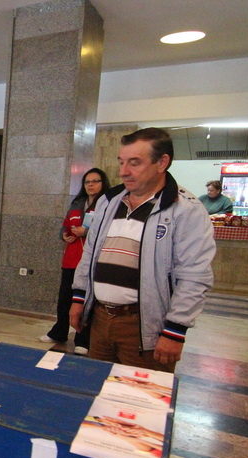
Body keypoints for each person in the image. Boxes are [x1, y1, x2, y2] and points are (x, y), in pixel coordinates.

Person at [70, 128, 215, 372]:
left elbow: (194, 275)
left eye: (134, 163)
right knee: (98, 395)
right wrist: (79, 298)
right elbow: (90, 254)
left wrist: (175, 330)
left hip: (145, 326)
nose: (123, 171)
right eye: (121, 162)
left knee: (141, 401)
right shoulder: (109, 201)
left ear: (162, 163)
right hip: (100, 318)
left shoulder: (185, 210)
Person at [39, 168, 107, 354]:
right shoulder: (77, 203)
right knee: (64, 300)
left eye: (95, 181)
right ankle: (59, 331)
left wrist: (87, 232)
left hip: (90, 262)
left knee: (85, 302)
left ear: (103, 183)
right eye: (87, 182)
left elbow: (108, 231)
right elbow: (65, 226)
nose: (91, 185)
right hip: (71, 259)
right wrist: (65, 235)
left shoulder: (107, 204)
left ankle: (83, 339)